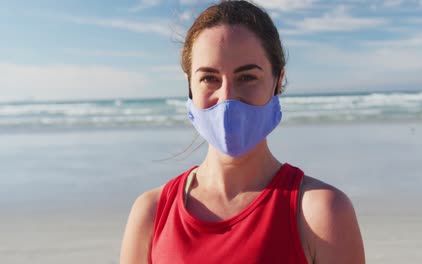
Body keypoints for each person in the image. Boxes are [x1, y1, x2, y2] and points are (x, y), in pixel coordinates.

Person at [120, 1, 365, 263]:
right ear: (189, 85)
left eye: (247, 77)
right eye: (209, 78)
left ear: (277, 81)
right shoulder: (152, 213)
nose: (227, 98)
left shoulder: (320, 213)